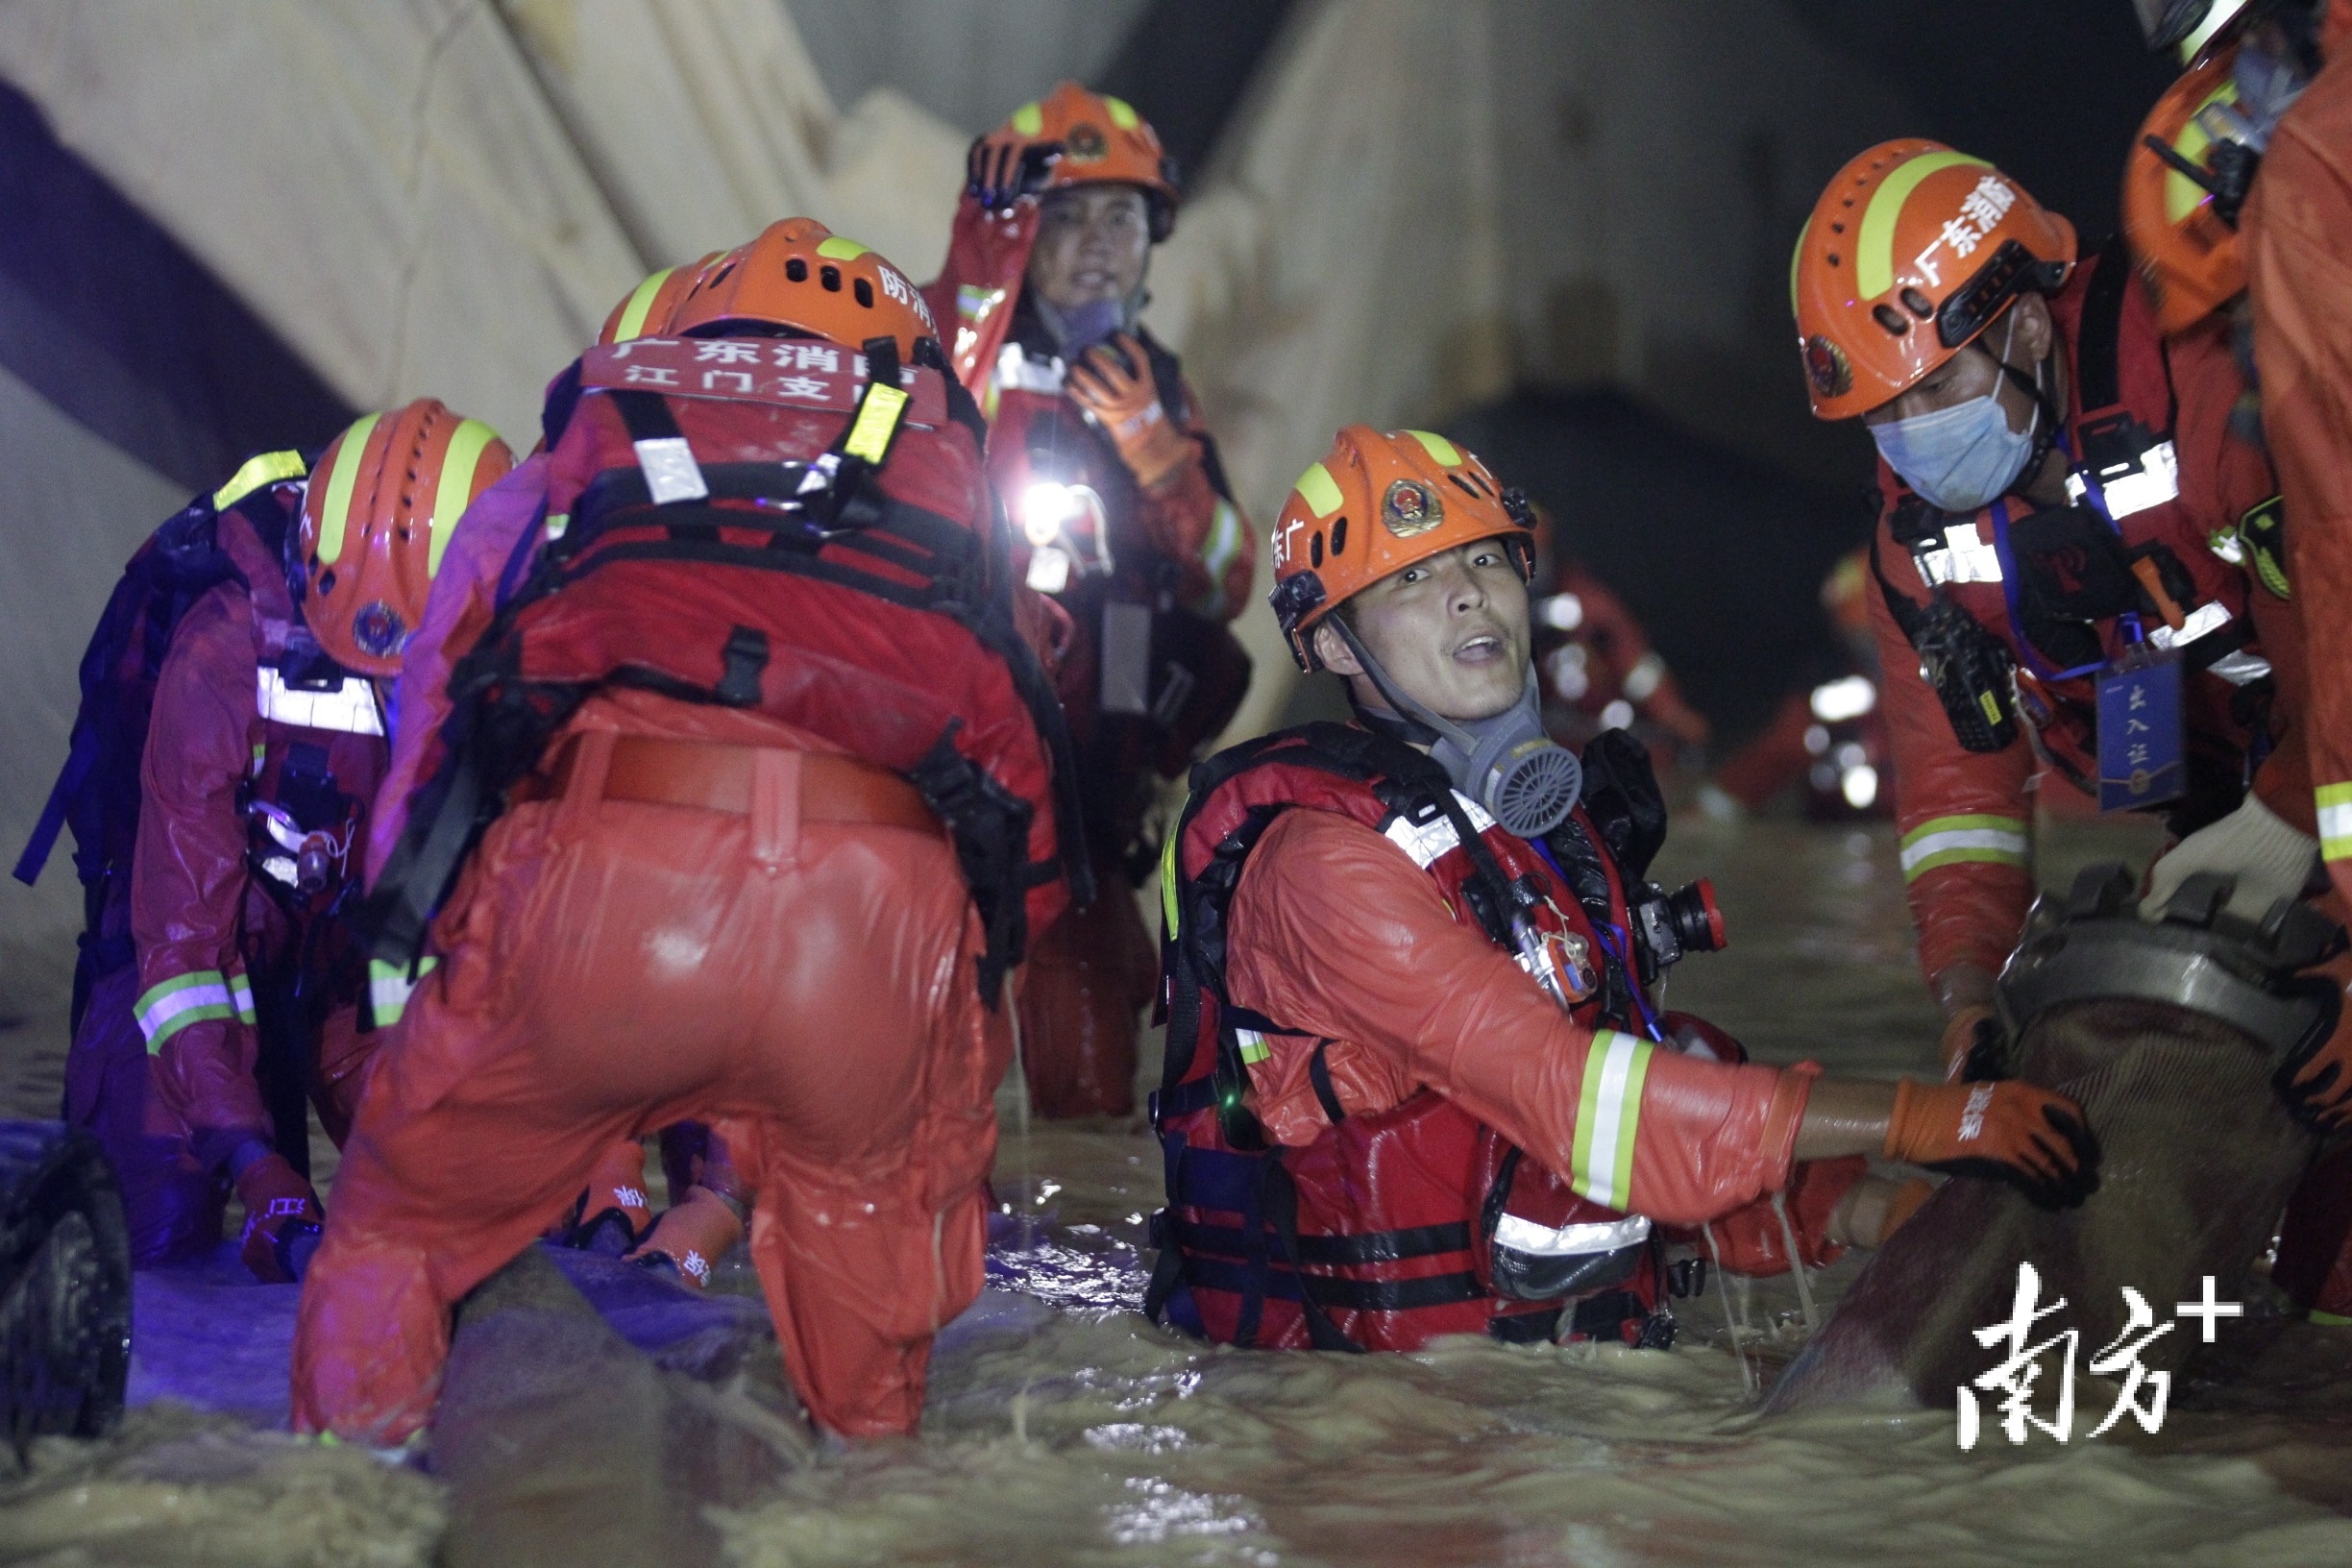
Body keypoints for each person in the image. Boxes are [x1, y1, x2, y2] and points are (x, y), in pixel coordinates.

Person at [293, 218, 1082, 1444]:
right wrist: (957, 1043)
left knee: (392, 1232)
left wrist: (430, 959)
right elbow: (1020, 786)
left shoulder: (582, 447)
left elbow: (444, 720)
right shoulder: (951, 478)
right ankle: (865, 1480)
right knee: (871, 1384)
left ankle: (339, 1504)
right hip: (863, 941)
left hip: (605, 891)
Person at [1144, 425, 2092, 1351]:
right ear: (1337, 646)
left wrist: (1873, 1208)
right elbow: (1575, 1098)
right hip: (1399, 1431)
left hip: (1550, 1386)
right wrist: (1924, 1117)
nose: (1467, 597)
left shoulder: (1531, 838)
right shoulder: (1324, 871)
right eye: (1411, 580)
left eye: (1485, 560)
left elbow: (1643, 1087)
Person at [1790, 139, 2340, 1084]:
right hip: (2229, 822)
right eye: (1886, 410)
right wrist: (1969, 994)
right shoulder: (1915, 551)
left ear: (2032, 328)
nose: (1915, 435)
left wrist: (2290, 822)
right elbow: (1958, 801)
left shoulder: (2212, 386)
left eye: (1936, 387)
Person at [15, 404, 513, 1281]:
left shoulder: (503, 661)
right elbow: (179, 951)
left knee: (472, 1203)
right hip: (193, 955)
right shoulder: (222, 648)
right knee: (158, 1237)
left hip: (345, 964)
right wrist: (252, 1161)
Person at [925, 82, 1255, 1118]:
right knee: (915, 1083)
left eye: (1121, 216)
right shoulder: (961, 349)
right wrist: (982, 243)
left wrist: (1163, 461)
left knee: (1090, 1098)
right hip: (956, 780)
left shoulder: (1154, 379)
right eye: (1065, 216)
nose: (1098, 242)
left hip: (1091, 794)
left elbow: (1227, 581)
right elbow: (948, 353)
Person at [1701, 549, 1895, 821]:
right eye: (1863, 638)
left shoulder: (1946, 687)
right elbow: (1780, 752)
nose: (1875, 651)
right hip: (1850, 829)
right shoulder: (1834, 694)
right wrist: (1713, 808)